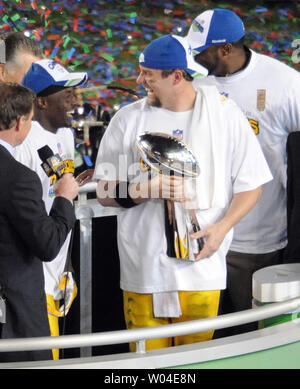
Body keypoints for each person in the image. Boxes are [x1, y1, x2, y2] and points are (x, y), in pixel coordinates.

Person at [93, 33, 272, 351]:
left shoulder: (225, 115)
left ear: (176, 75)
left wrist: (221, 228)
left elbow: (251, 185)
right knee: (147, 367)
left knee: (195, 362)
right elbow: (104, 190)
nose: (139, 80)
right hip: (144, 270)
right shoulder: (127, 120)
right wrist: (141, 189)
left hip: (201, 270)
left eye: (148, 75)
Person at [186, 8, 300, 335]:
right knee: (205, 335)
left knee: (254, 336)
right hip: (204, 237)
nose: (195, 56)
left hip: (255, 240)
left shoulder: (285, 84)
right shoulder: (200, 85)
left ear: (225, 49)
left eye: (201, 50)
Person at [13, 59, 87, 359]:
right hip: (29, 278)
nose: (75, 99)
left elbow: (62, 200)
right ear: (41, 101)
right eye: (67, 92)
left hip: (55, 270)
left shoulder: (65, 136)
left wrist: (66, 262)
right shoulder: (22, 144)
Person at [0, 82, 79, 362]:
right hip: (13, 313)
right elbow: (47, 244)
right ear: (20, 121)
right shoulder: (18, 176)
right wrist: (64, 200)